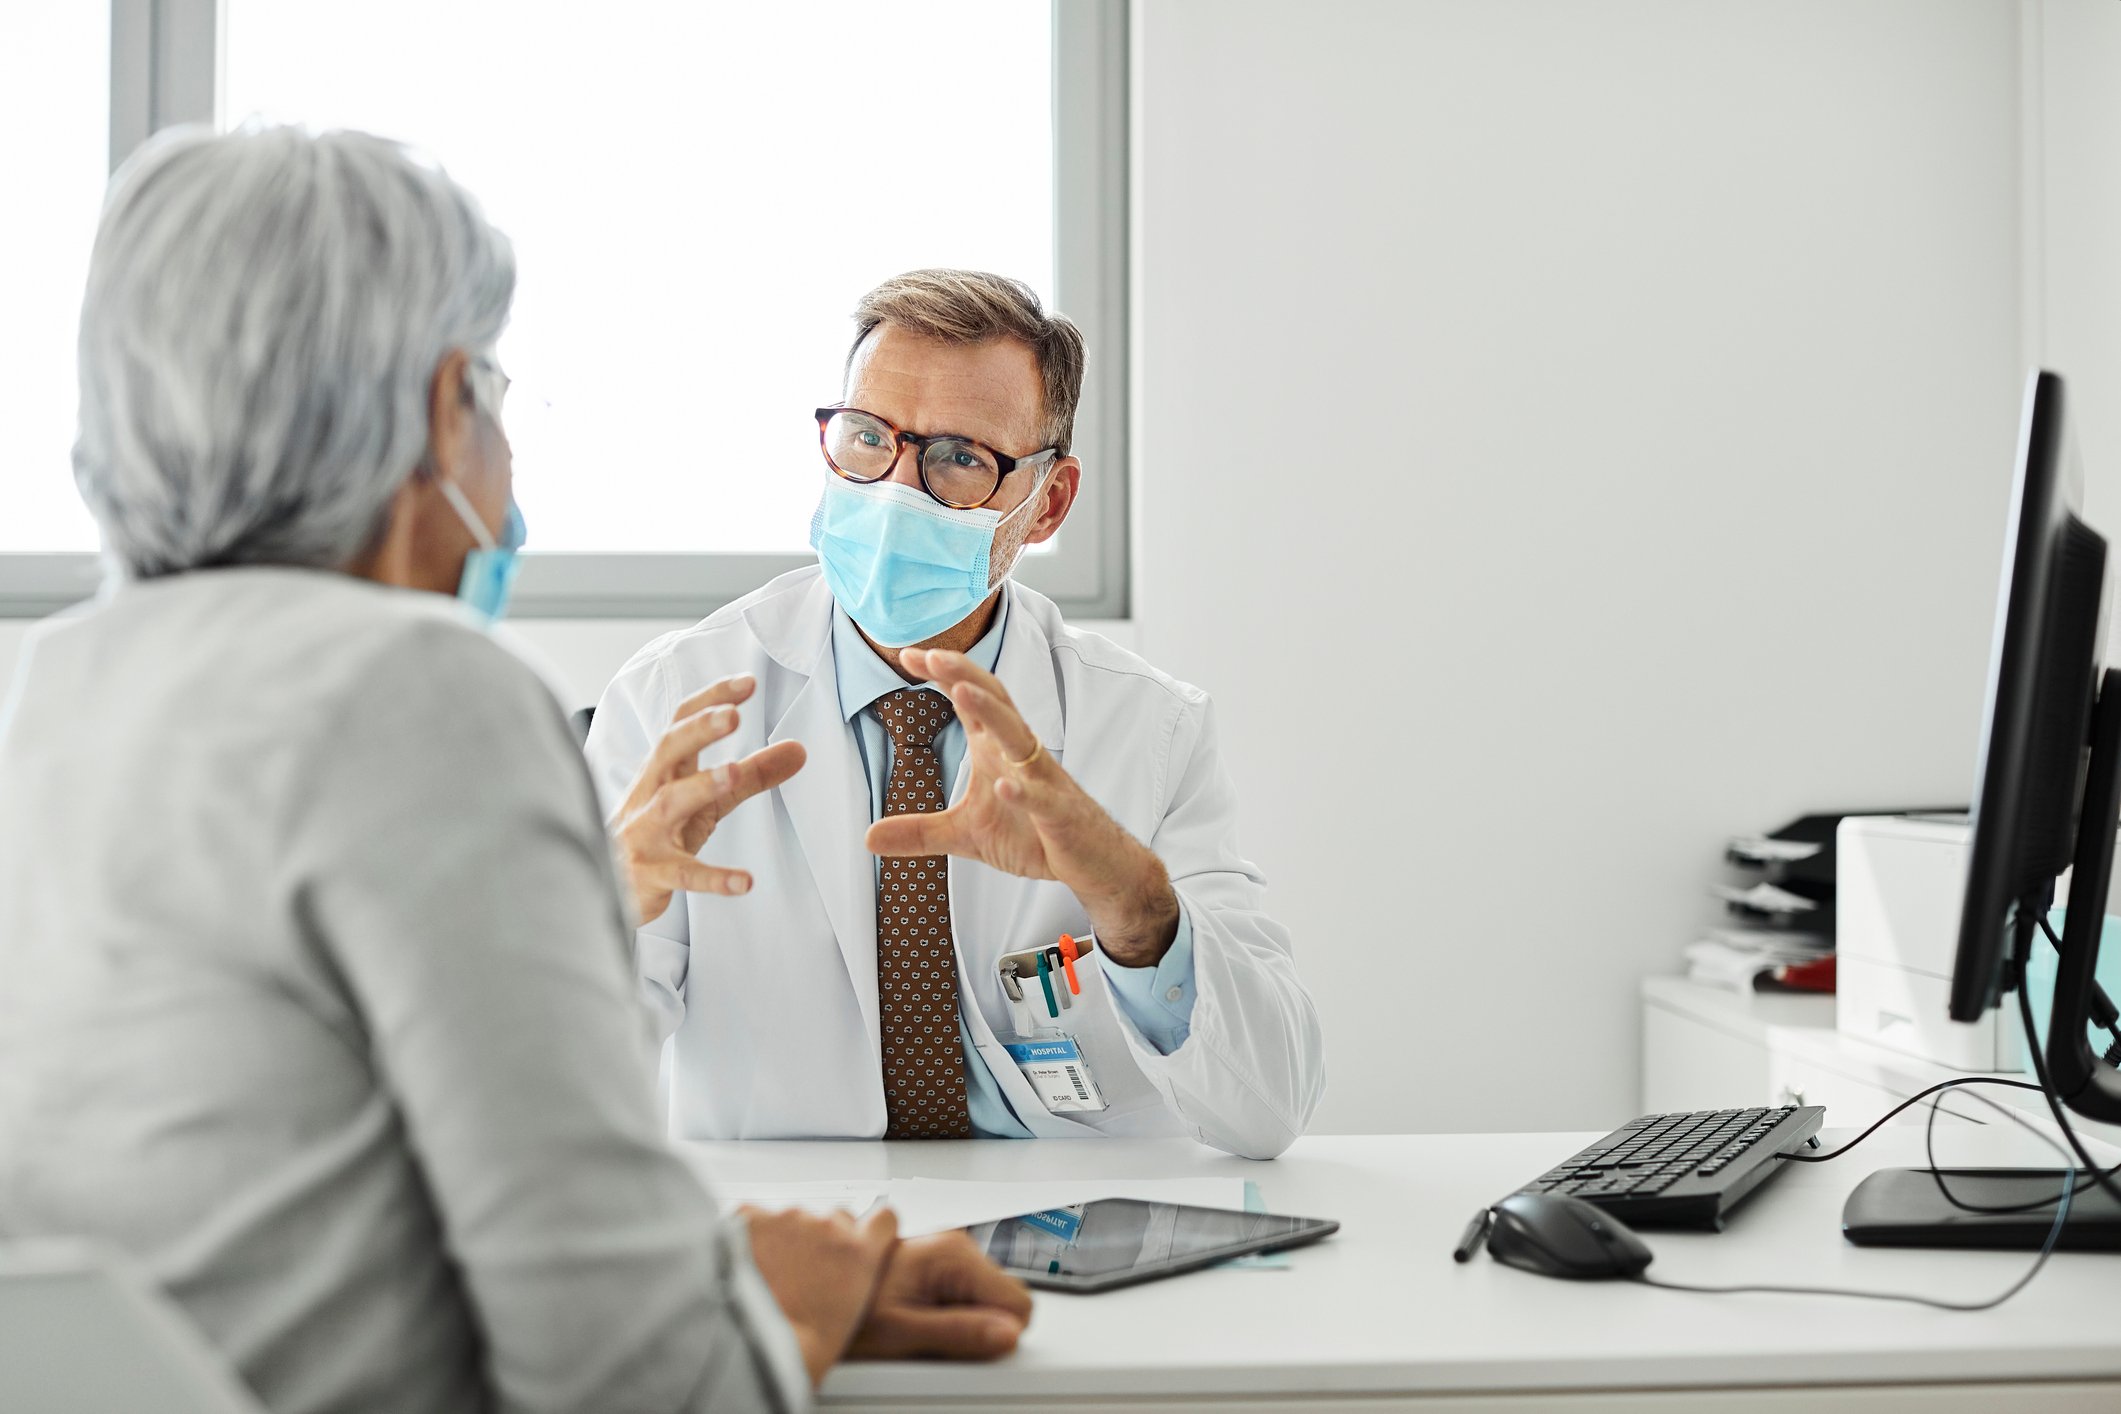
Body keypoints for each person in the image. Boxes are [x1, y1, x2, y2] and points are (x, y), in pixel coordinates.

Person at [0, 126, 1028, 1414]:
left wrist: (709, 1260)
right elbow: (636, 1380)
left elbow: (281, 1214)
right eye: (487, 386)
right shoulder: (421, 693)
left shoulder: (63, 683)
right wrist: (780, 1301)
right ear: (442, 409)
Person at [586, 270, 1326, 1158]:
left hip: (1074, 1232)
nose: (894, 492)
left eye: (959, 459)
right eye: (866, 440)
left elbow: (1268, 1109)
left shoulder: (1147, 729)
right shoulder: (673, 702)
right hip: (795, 1233)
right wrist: (599, 917)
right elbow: (547, 1099)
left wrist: (1137, 911)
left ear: (1046, 502)